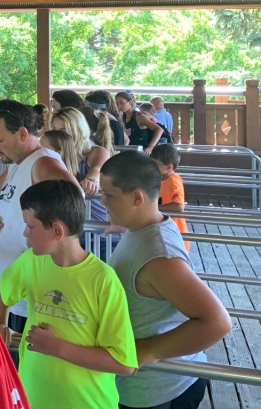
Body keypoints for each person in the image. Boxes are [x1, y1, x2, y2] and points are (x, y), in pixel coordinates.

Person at [99, 152, 232, 409]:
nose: (102, 201)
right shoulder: (143, 228)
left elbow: (217, 322)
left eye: (109, 195)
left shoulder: (158, 256)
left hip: (161, 390)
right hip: (143, 386)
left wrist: (149, 350)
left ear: (137, 197)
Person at [0, 180, 137, 408]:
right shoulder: (31, 261)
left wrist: (56, 347)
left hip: (87, 403)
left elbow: (124, 363)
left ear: (57, 230)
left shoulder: (103, 280)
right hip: (32, 398)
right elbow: (6, 287)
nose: (25, 233)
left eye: (30, 226)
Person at [0, 100, 80, 333]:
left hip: (28, 298)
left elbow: (75, 199)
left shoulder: (42, 162)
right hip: (8, 292)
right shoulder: (16, 163)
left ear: (22, 133)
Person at [49, 108, 112, 219]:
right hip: (68, 220)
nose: (57, 135)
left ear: (77, 130)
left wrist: (91, 180)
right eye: (54, 130)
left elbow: (97, 169)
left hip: (96, 222)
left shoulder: (97, 151)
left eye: (63, 131)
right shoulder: (52, 153)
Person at [149, 144, 189, 252]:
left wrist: (154, 208)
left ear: (169, 167)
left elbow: (179, 206)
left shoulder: (174, 180)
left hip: (174, 235)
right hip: (165, 232)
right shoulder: (160, 178)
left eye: (156, 164)